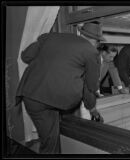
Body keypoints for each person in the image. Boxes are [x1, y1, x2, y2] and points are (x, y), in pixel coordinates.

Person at [15, 21, 104, 154]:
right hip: (58, 99)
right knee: (50, 145)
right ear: (96, 41)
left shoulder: (50, 37)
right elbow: (90, 87)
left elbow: (25, 56)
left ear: (81, 33)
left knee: (50, 139)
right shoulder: (92, 53)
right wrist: (92, 109)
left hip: (31, 95)